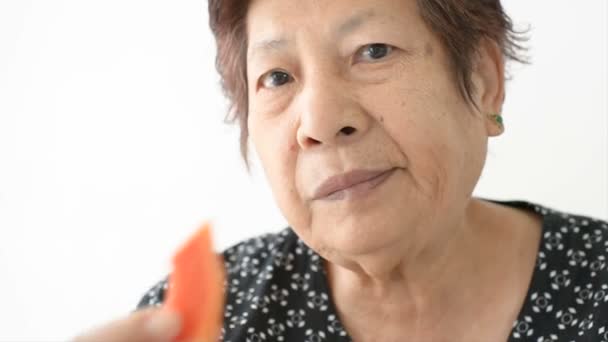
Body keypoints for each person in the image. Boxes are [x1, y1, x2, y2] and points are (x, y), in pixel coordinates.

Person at [75, 0, 608, 341]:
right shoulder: (208, 323)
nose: (322, 123)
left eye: (373, 51)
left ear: (484, 81)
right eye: (278, 77)